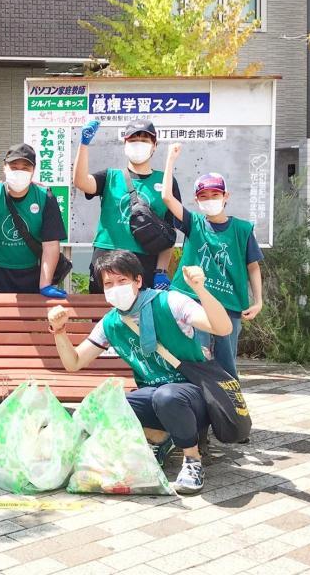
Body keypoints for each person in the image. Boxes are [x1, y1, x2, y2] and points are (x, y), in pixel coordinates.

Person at [47, 250, 233, 494]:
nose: (115, 288)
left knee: (166, 396)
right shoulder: (111, 323)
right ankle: (156, 439)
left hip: (195, 396)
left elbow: (222, 327)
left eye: (122, 281)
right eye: (109, 284)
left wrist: (200, 289)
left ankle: (192, 459)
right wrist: (59, 331)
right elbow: (74, 362)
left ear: (138, 280)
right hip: (155, 396)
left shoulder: (171, 303)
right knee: (110, 405)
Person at [162, 143, 263, 380]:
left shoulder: (242, 229)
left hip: (229, 303)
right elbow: (166, 196)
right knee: (197, 356)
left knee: (227, 361)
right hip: (193, 301)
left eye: (215, 195)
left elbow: (253, 266)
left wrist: (258, 301)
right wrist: (170, 160)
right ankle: (198, 401)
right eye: (203, 196)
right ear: (197, 201)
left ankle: (228, 406)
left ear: (226, 196)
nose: (210, 200)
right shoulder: (194, 223)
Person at [73, 119, 183, 294]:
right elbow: (81, 182)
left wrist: (161, 271)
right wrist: (84, 144)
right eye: (133, 140)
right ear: (125, 144)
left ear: (154, 146)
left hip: (144, 261)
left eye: (145, 140)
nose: (138, 144)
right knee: (104, 317)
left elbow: (169, 233)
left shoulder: (166, 181)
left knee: (140, 319)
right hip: (106, 258)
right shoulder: (111, 177)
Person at [0, 143, 67, 297]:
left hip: (33, 272)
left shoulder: (45, 196)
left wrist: (45, 284)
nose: (19, 172)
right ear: (4, 167)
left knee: (34, 319)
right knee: (0, 319)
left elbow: (51, 244)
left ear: (33, 171)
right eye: (14, 167)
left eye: (25, 168)